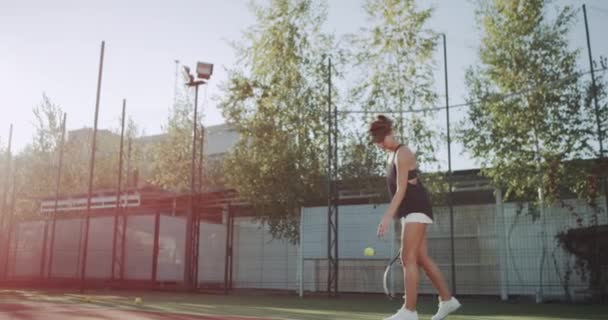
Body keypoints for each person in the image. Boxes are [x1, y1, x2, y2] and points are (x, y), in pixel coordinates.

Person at [370, 115, 461, 320]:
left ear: (390, 135)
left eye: (381, 141)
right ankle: (448, 300)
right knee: (420, 258)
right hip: (409, 211)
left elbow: (401, 190)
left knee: (407, 258)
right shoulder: (391, 155)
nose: (380, 146)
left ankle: (409, 311)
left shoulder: (403, 152)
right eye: (377, 143)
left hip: (416, 208)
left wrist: (387, 217)